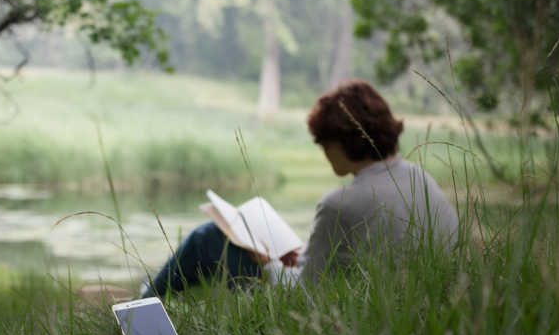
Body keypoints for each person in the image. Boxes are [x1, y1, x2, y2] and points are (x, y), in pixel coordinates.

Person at [140, 79, 459, 298]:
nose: (322, 151)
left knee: (207, 237)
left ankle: (144, 303)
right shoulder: (419, 177)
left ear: (339, 142)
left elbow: (308, 290)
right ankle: (158, 303)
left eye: (322, 144)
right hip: (406, 296)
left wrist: (268, 263)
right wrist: (300, 257)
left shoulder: (340, 202)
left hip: (330, 306)